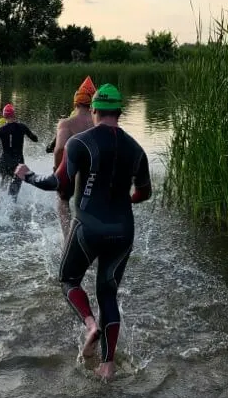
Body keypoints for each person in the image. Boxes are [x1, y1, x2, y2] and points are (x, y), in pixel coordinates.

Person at [14, 84, 151, 381]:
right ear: (120, 112)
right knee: (108, 293)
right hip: (122, 230)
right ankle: (108, 366)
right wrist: (123, 201)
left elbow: (57, 183)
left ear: (95, 110)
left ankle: (90, 325)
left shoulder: (80, 142)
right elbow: (144, 193)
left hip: (87, 227)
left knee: (68, 279)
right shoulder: (137, 150)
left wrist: (28, 175)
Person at [53, 77, 97, 237]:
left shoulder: (66, 123)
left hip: (73, 172)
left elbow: (59, 149)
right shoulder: (99, 123)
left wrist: (58, 170)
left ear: (76, 102)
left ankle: (68, 238)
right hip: (95, 173)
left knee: (63, 201)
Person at [0, 103, 38, 199]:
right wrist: (31, 135)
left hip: (3, 163)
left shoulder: (0, 130)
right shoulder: (22, 127)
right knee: (16, 183)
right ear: (14, 115)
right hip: (17, 163)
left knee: (4, 179)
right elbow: (35, 139)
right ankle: (11, 202)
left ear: (4, 116)